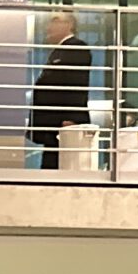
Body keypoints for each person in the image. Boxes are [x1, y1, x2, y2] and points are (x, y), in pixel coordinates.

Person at [29, 10, 93, 170]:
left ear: (69, 25)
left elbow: (76, 83)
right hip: (54, 125)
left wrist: (71, 118)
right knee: (51, 166)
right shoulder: (60, 51)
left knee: (61, 167)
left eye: (55, 21)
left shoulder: (76, 48)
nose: (48, 27)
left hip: (63, 124)